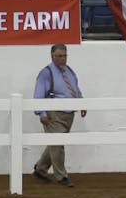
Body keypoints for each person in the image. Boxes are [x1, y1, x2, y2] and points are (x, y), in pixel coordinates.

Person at [32, 44, 86, 187]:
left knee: (56, 143)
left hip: (69, 114)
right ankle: (61, 177)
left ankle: (41, 169)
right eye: (59, 56)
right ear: (52, 56)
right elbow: (38, 95)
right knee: (57, 145)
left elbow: (75, 88)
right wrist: (42, 113)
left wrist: (81, 103)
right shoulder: (46, 73)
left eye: (64, 55)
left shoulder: (69, 71)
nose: (63, 59)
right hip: (54, 113)